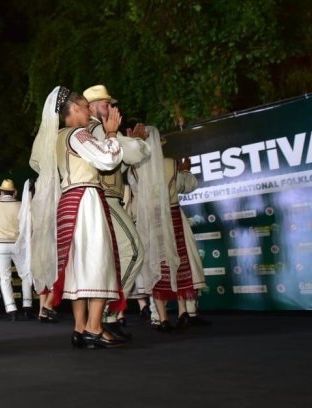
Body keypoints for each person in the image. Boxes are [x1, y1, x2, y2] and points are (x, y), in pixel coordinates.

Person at [29, 86, 125, 349]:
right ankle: (94, 328)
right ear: (73, 109)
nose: (88, 111)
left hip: (69, 201)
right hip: (86, 199)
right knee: (97, 262)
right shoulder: (78, 134)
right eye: (84, 107)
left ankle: (80, 327)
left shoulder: (56, 137)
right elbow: (107, 159)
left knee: (77, 267)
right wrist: (112, 134)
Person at [83, 85, 151, 338]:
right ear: (90, 108)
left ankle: (94, 322)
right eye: (104, 104)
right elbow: (134, 154)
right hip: (105, 200)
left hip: (96, 200)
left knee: (104, 262)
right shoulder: (98, 129)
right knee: (133, 252)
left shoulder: (91, 131)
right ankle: (106, 315)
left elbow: (116, 164)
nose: (110, 108)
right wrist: (139, 142)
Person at [131, 127, 209, 331]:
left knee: (156, 265)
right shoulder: (171, 164)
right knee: (180, 262)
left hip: (150, 222)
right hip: (173, 217)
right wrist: (184, 170)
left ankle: (163, 318)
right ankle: (183, 312)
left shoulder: (135, 169)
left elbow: (135, 195)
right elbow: (189, 186)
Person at [0, 179, 33, 321]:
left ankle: (11, 308)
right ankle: (27, 305)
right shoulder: (20, 205)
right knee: (25, 274)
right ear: (14, 192)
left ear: (1, 191)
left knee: (5, 277)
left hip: (1, 244)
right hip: (18, 242)